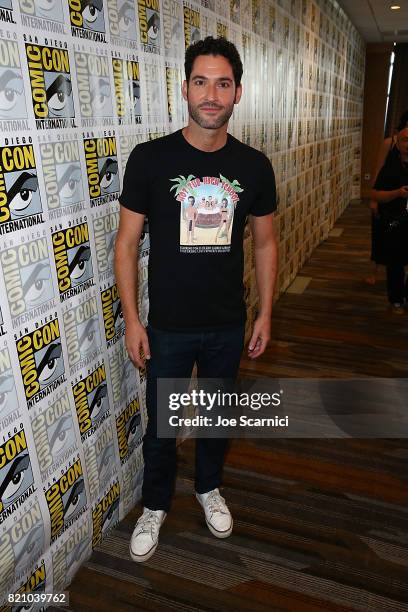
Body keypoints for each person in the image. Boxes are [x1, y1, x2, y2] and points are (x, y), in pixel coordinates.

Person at [114, 36, 278, 562]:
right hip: (167, 325)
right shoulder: (151, 159)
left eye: (222, 83)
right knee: (162, 428)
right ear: (184, 89)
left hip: (227, 322)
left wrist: (266, 313)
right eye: (201, 82)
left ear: (238, 93)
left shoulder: (254, 166)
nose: (211, 94)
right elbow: (125, 242)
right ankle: (156, 505)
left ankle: (209, 487)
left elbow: (267, 242)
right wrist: (132, 321)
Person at [366, 111, 408, 284]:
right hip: (387, 199)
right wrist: (374, 199)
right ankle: (375, 271)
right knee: (380, 234)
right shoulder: (389, 143)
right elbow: (378, 171)